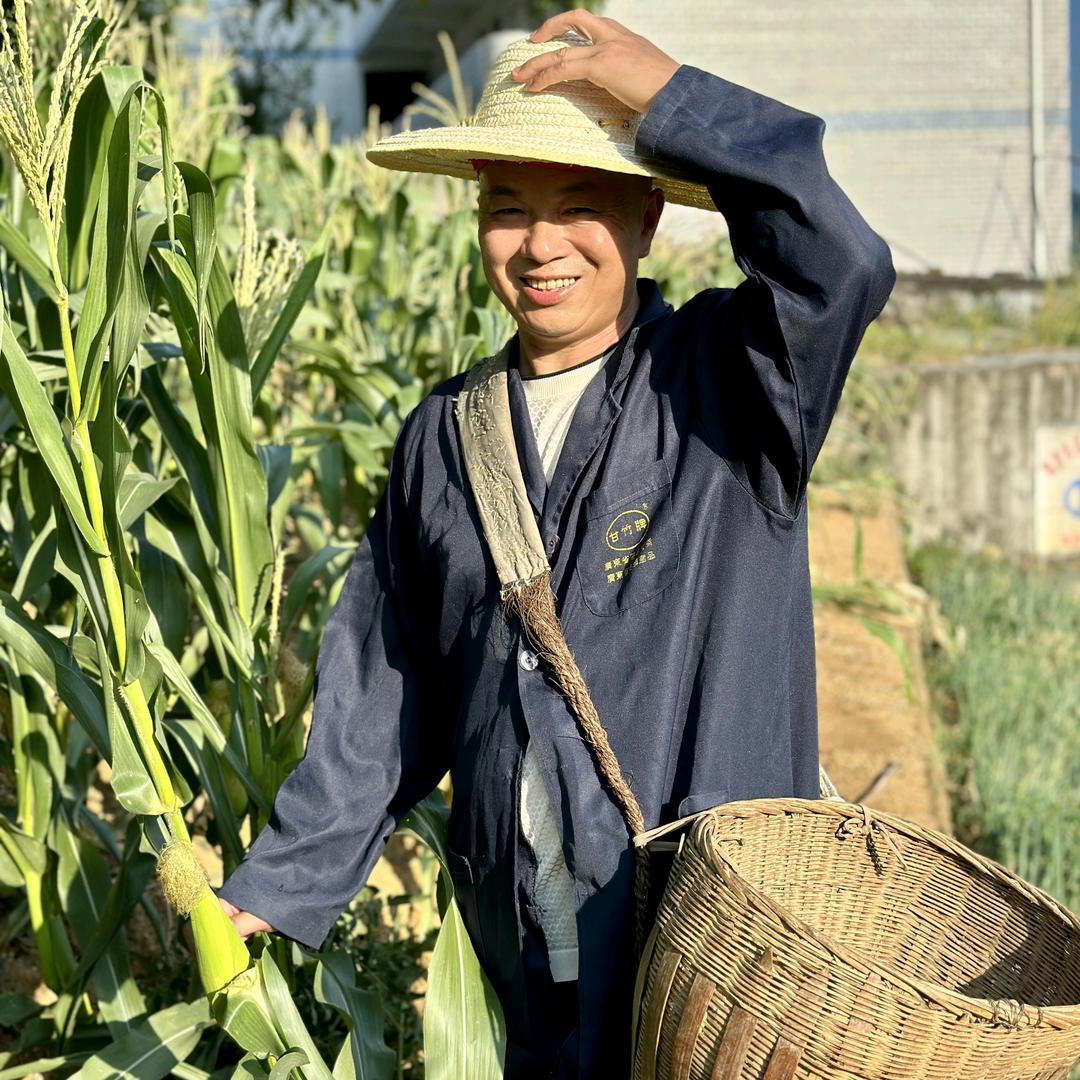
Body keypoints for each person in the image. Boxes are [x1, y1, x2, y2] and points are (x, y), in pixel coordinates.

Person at [216, 10, 896, 1076]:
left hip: (714, 953)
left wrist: (674, 99)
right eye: (506, 208)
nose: (539, 245)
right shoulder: (446, 437)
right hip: (524, 948)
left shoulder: (733, 386)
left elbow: (841, 262)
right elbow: (388, 693)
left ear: (646, 222)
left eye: (580, 206)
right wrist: (282, 883)